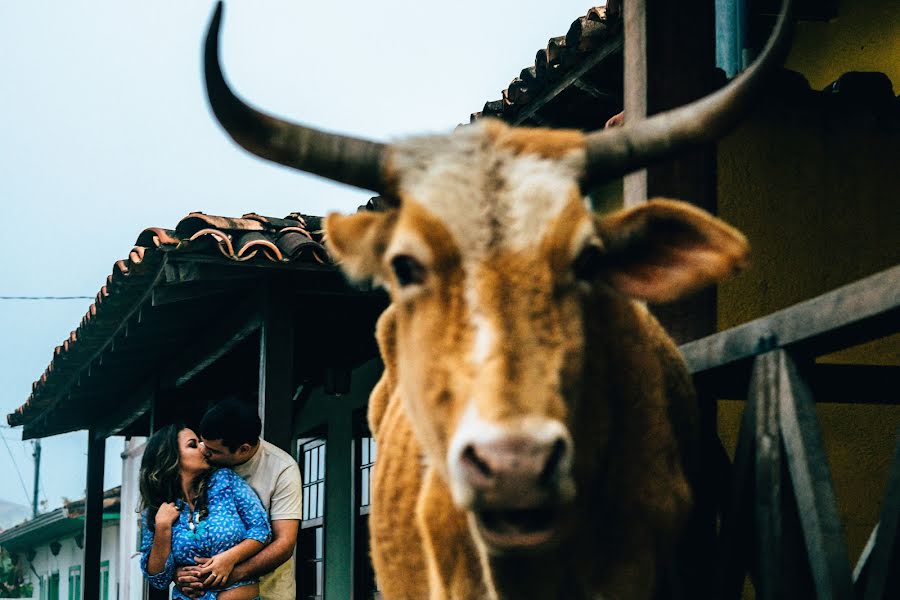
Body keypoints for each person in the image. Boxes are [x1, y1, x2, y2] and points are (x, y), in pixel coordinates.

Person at [176, 399, 302, 600]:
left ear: (243, 449)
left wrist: (232, 571)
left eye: (213, 450)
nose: (203, 451)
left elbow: (284, 543)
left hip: (268, 590)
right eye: (201, 443)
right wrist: (179, 573)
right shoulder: (201, 463)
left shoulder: (282, 469)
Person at [139, 424, 271, 600]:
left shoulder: (226, 481)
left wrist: (229, 559)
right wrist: (163, 527)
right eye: (193, 444)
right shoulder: (156, 510)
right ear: (171, 457)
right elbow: (158, 579)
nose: (203, 448)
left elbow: (261, 530)